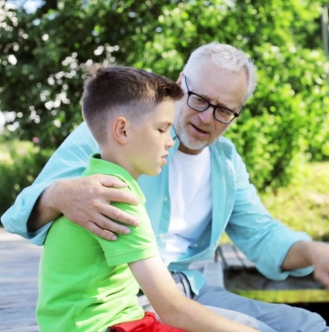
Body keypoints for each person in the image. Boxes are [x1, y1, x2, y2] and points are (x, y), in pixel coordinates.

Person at [2, 43, 329, 332]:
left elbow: (261, 234)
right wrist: (60, 195)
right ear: (182, 83)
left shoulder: (226, 163)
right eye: (200, 99)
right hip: (125, 303)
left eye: (223, 111)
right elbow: (18, 215)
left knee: (310, 325)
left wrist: (315, 253)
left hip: (185, 291)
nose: (205, 118)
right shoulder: (122, 134)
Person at [36, 65, 258, 332]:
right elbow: (172, 308)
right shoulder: (116, 197)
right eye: (162, 129)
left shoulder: (97, 183)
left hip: (117, 318)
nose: (170, 142)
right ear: (123, 130)